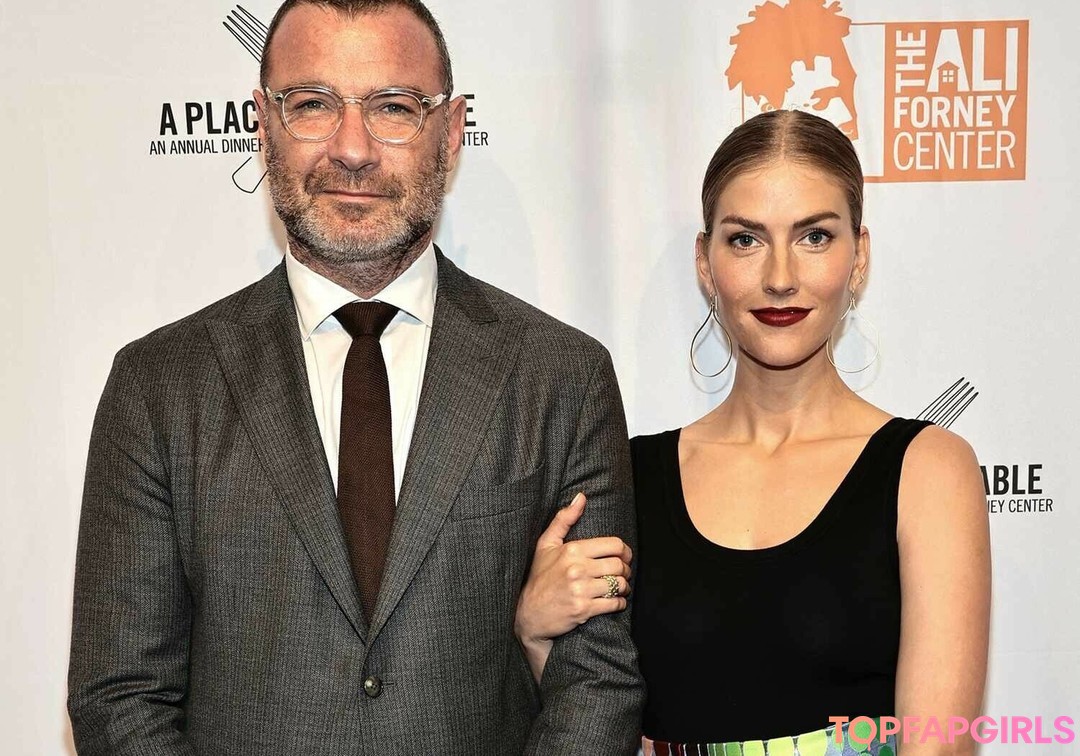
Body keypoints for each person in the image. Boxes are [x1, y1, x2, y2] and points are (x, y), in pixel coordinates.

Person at [67, 1, 643, 753]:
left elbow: (596, 684)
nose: (351, 149)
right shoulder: (159, 387)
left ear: (453, 129)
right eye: (311, 104)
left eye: (393, 108)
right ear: (262, 123)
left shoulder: (560, 376)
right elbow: (119, 701)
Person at [515, 110, 990, 755]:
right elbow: (603, 727)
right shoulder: (628, 473)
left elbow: (940, 746)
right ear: (705, 263)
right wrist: (537, 635)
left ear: (859, 256)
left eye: (815, 236)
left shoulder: (927, 469)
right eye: (746, 240)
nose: (779, 277)